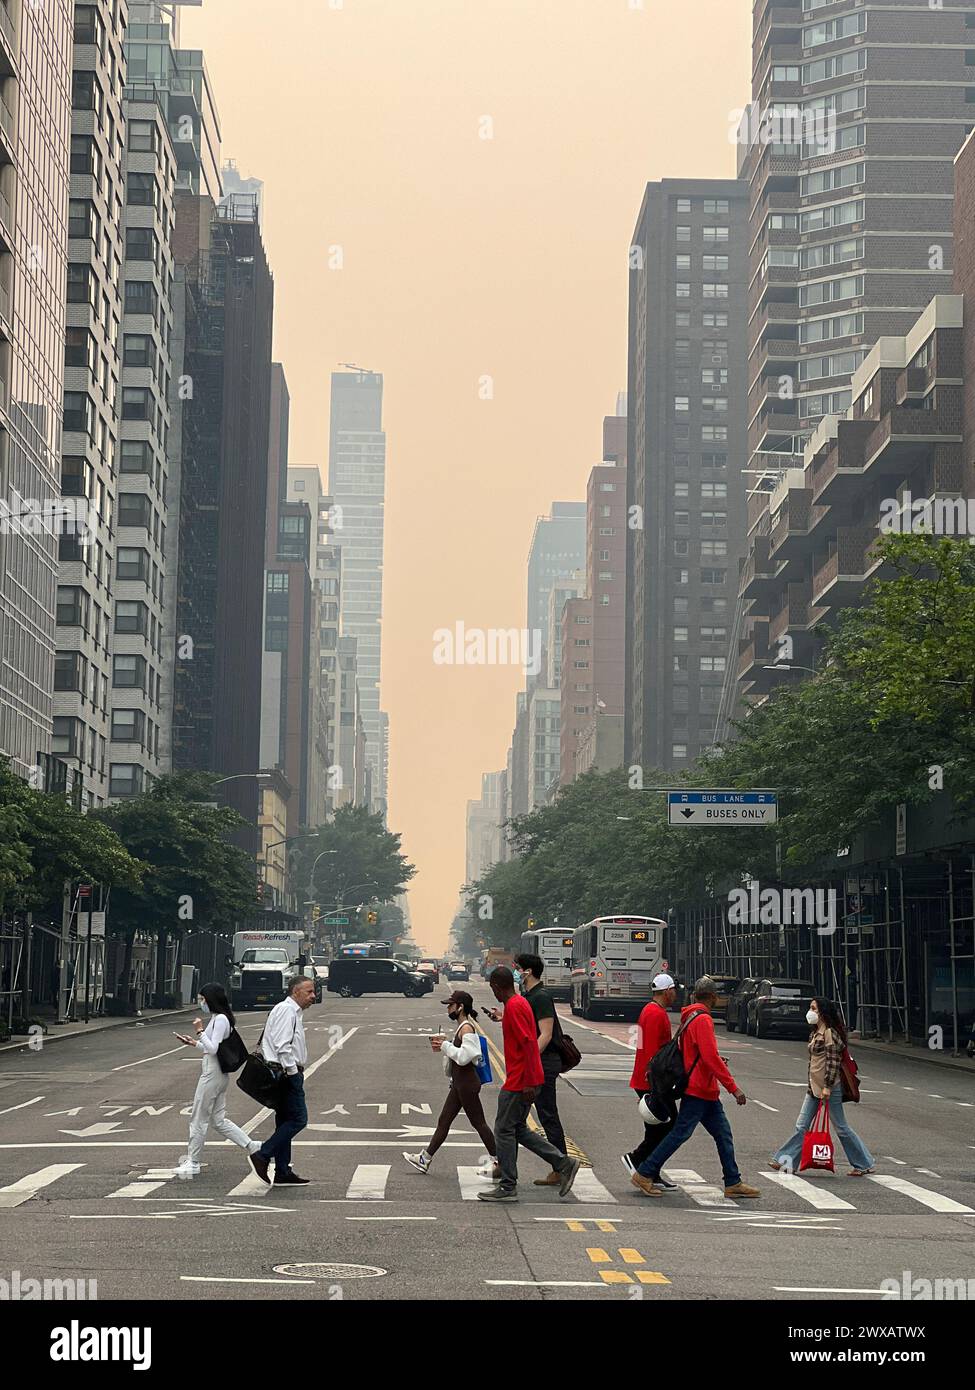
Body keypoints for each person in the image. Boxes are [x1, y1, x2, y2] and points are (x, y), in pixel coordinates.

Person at [631, 976, 760, 1199]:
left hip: (706, 1089)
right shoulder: (702, 1020)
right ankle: (645, 1171)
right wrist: (733, 1087)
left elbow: (698, 1053)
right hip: (699, 1089)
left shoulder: (690, 1016)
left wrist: (716, 1063)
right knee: (678, 1134)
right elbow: (708, 1056)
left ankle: (733, 1181)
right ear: (713, 997)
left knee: (723, 1135)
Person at [477, 966, 580, 1202]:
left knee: (503, 1130)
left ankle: (508, 1185)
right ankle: (563, 1163)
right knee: (518, 1129)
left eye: (492, 988)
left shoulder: (514, 1007)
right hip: (523, 1078)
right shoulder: (518, 1004)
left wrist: (531, 1082)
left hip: (519, 1081)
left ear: (495, 986)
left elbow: (529, 1046)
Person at [770, 995, 875, 1177]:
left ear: (823, 1013)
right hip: (814, 1087)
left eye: (814, 1008)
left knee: (841, 1127)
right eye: (810, 1008)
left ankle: (864, 1163)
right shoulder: (816, 1032)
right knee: (801, 1126)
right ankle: (786, 1161)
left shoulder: (829, 1033)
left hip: (829, 1087)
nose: (810, 1012)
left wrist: (827, 1087)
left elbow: (833, 1062)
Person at [404, 990, 498, 1176]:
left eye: (450, 1005)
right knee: (444, 1121)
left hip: (467, 1085)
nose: (448, 1009)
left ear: (460, 1007)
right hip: (459, 1084)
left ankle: (501, 1161)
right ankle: (425, 1158)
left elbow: (466, 1057)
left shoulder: (466, 1028)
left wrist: (445, 1045)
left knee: (479, 1123)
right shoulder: (462, 1027)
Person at [173, 983, 262, 1177]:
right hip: (216, 1073)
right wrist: (194, 1042)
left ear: (211, 999)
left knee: (198, 1118)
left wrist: (199, 1031)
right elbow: (210, 1048)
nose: (200, 1002)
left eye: (202, 999)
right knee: (217, 1120)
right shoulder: (217, 1018)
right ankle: (252, 1145)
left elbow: (213, 1048)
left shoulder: (221, 1019)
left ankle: (193, 1162)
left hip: (212, 1075)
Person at [248, 975, 316, 1186]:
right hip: (286, 1074)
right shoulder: (287, 1011)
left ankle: (283, 1171)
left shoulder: (288, 1010)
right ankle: (263, 1154)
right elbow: (282, 1045)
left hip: (282, 1072)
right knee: (298, 1120)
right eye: (309, 992)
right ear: (295, 992)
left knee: (285, 1121)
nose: (313, 996)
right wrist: (293, 1072)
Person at [513, 951, 569, 1188]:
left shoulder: (541, 996)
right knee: (523, 1117)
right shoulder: (530, 995)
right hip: (539, 1062)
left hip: (543, 1063)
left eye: (518, 968)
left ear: (528, 972)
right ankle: (560, 1165)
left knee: (546, 1114)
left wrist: (530, 1061)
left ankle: (561, 1166)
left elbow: (545, 1033)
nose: (516, 972)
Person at [621, 973, 678, 1188]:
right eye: (674, 989)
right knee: (668, 1126)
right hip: (651, 1081)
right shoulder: (657, 1014)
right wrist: (656, 1085)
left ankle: (651, 1171)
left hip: (645, 1079)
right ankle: (637, 1159)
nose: (676, 994)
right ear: (666, 991)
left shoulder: (650, 1010)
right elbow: (656, 1053)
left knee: (657, 1128)